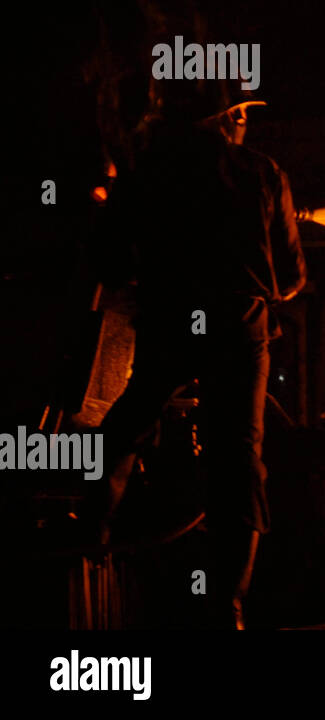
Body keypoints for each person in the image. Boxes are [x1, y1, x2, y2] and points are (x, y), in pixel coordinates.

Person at [95, 77, 306, 628]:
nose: (245, 125)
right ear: (224, 119)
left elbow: (113, 263)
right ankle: (227, 604)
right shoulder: (263, 173)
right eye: (240, 115)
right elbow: (289, 280)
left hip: (170, 316)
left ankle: (93, 526)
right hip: (239, 328)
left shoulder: (150, 172)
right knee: (238, 457)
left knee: (132, 418)